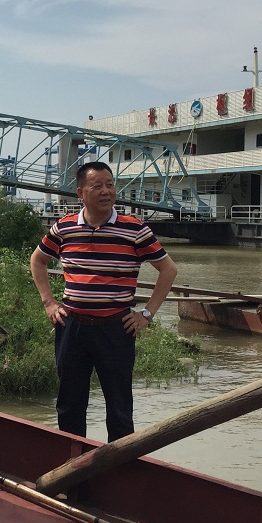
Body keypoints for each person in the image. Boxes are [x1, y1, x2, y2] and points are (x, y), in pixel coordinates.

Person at [30, 161, 178, 442]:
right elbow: (37, 260)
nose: (106, 191)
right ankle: (73, 464)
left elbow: (168, 269)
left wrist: (147, 314)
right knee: (70, 404)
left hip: (115, 328)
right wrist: (49, 302)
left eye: (110, 185)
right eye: (97, 186)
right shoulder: (64, 228)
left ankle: (120, 465)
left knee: (119, 407)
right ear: (80, 193)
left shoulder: (134, 229)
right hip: (72, 327)